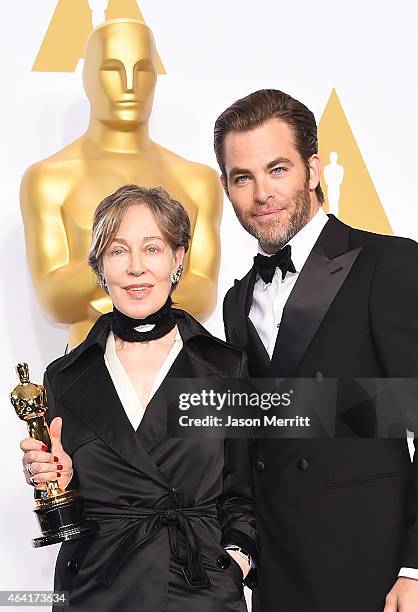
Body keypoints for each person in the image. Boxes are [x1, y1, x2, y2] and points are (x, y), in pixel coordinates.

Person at [214, 89, 418, 612]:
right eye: (243, 177)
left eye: (277, 169)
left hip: (374, 572)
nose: (262, 193)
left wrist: (416, 567)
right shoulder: (237, 300)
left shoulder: (387, 264)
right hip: (279, 577)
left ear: (312, 168)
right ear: (226, 187)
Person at [19, 185, 256, 612]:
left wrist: (235, 558)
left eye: (152, 249)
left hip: (198, 588)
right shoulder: (64, 378)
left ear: (178, 258)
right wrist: (56, 477)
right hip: (97, 587)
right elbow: (68, 496)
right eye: (117, 251)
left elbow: (245, 490)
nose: (135, 269)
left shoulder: (225, 367)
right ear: (99, 267)